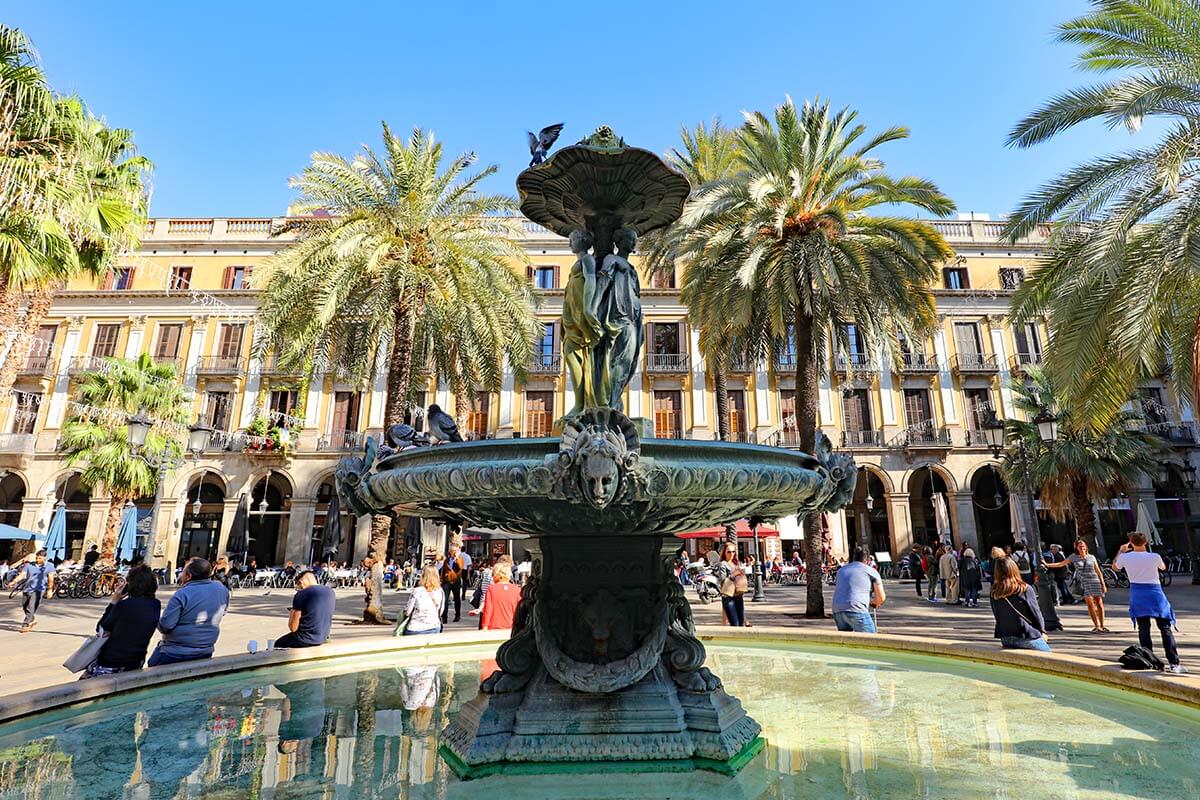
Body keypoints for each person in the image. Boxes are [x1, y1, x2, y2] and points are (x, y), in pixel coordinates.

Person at [1114, 533, 1186, 673]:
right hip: (1155, 592)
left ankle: (1150, 661)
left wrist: (1121, 551)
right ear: (1146, 542)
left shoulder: (1125, 557)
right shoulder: (1154, 557)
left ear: (1130, 542)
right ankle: (1174, 663)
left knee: (1144, 628)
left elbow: (1115, 568)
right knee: (1165, 628)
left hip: (1137, 593)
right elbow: (1163, 568)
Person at [82, 564, 162, 678]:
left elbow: (101, 628)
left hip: (112, 660)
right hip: (136, 660)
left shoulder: (124, 605)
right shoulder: (155, 604)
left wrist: (114, 602)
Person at [148, 557, 229, 666]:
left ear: (188, 576)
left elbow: (166, 626)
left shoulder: (183, 594)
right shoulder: (222, 589)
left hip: (175, 652)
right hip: (206, 650)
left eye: (183, 571)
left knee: (152, 664)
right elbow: (223, 612)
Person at [989, 557, 1050, 651]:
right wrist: (1042, 631)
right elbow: (1036, 612)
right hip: (1026, 635)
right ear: (1014, 569)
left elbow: (996, 614)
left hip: (1006, 637)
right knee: (1050, 659)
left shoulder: (995, 591)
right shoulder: (1023, 588)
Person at [1047, 539, 1108, 632]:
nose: (1082, 547)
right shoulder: (1073, 557)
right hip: (1085, 582)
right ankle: (1096, 625)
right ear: (1077, 548)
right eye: (1080, 546)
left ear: (1086, 547)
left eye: (1083, 546)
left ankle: (1102, 625)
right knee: (1090, 604)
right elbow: (1061, 564)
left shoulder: (1091, 557)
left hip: (1095, 581)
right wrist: (1047, 565)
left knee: (1099, 603)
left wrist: (1103, 583)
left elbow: (1098, 571)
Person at [275, 569, 336, 649]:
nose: (299, 589)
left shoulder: (302, 594)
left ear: (301, 582)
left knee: (277, 644)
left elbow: (293, 628)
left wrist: (292, 612)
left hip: (304, 639)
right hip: (322, 637)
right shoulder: (330, 592)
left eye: (298, 587)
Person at [831, 547, 885, 633]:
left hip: (837, 609)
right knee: (870, 640)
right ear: (867, 560)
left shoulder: (841, 570)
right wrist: (875, 603)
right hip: (856, 608)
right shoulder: (871, 571)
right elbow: (881, 597)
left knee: (846, 640)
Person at [8, 549, 55, 633]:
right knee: (25, 606)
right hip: (27, 588)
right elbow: (22, 575)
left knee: (31, 607)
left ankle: (25, 624)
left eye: (40, 558)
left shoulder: (49, 566)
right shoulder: (29, 565)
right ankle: (32, 619)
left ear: (45, 558)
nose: (37, 559)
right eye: (37, 557)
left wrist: (49, 590)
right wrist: (14, 581)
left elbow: (51, 579)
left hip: (39, 590)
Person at [712, 543, 749, 627]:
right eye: (729, 552)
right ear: (724, 552)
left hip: (738, 596)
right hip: (728, 597)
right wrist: (733, 575)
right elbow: (721, 580)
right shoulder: (723, 564)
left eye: (733, 551)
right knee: (735, 624)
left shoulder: (736, 563)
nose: (731, 554)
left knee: (741, 623)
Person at [404, 566, 445, 635]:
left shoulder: (417, 591)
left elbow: (408, 611)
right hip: (434, 626)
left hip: (415, 627)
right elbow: (441, 611)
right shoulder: (440, 591)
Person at [479, 562, 521, 630]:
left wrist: (485, 626)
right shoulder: (517, 590)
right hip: (513, 626)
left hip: (494, 626)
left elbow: (488, 610)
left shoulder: (491, 589)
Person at [438, 544, 466, 624]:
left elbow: (460, 567)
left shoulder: (460, 559)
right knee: (445, 599)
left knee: (457, 598)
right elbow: (443, 570)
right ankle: (444, 617)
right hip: (446, 582)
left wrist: (456, 558)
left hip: (456, 581)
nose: (452, 552)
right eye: (451, 551)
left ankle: (457, 615)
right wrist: (442, 579)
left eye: (454, 551)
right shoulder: (447, 560)